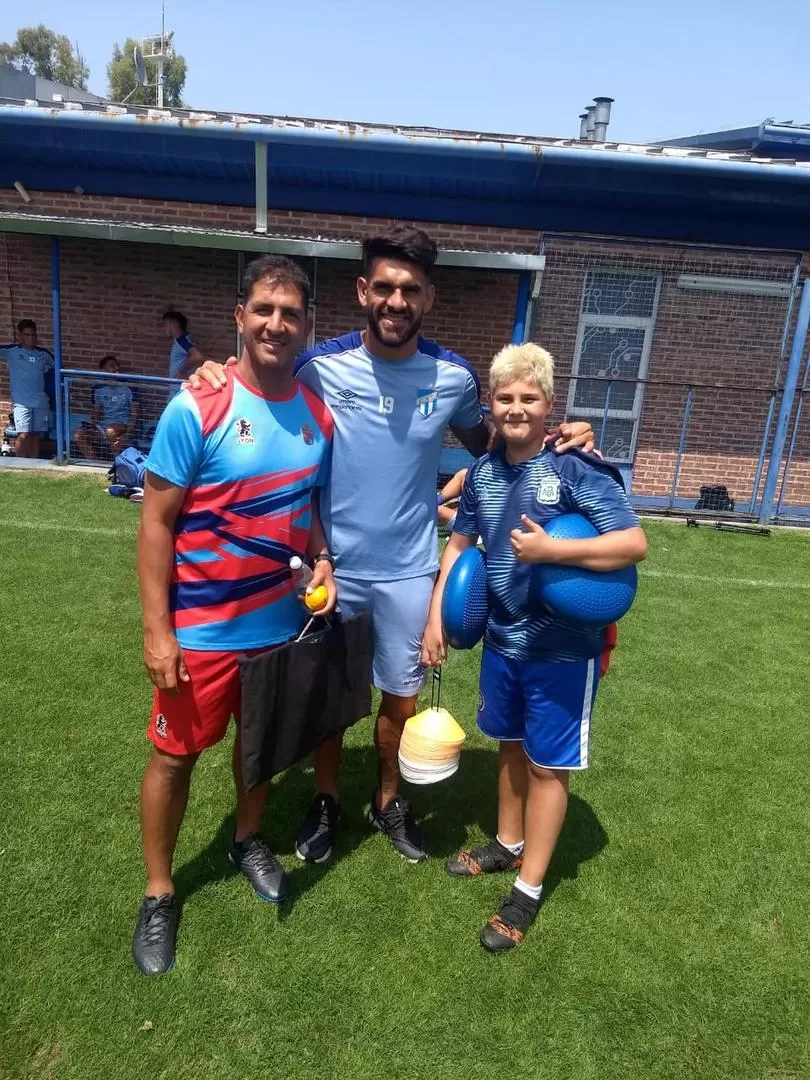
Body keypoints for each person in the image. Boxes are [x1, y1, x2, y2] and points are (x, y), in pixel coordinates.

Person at [190, 226, 594, 868]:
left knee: (399, 699)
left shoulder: (455, 378)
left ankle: (386, 798)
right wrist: (211, 370)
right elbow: (259, 382)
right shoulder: (320, 369)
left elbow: (499, 440)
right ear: (362, 291)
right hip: (332, 568)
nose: (396, 301)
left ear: (428, 297)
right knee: (324, 696)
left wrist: (561, 432)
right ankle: (325, 799)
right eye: (384, 288)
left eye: (410, 290)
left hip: (411, 571)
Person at [132, 256, 337, 976]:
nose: (276, 323)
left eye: (290, 312)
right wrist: (158, 631)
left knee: (257, 755)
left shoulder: (318, 414)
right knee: (174, 758)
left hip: (277, 630)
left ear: (308, 325)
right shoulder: (198, 406)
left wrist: (321, 560)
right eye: (263, 309)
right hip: (200, 635)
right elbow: (156, 524)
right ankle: (160, 892)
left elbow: (305, 508)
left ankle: (248, 838)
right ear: (239, 317)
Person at [422, 342, 647, 952]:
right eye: (505, 398)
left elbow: (633, 544)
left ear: (549, 404)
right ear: (490, 405)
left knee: (548, 765)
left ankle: (528, 889)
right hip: (503, 641)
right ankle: (506, 843)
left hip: (563, 651)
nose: (516, 408)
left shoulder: (577, 467)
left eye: (529, 398)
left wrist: (556, 553)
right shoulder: (486, 473)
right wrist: (438, 617)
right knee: (510, 746)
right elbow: (461, 545)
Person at [0, 319, 54, 458]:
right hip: (21, 402)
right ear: (20, 335)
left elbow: (59, 369)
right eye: (27, 334)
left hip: (40, 401)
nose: (31, 338)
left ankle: (34, 466)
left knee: (35, 435)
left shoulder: (44, 354)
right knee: (23, 435)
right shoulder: (11, 351)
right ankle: (19, 465)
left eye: (33, 335)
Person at [74, 355, 139, 459]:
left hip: (123, 424)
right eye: (112, 366)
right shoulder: (98, 388)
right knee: (79, 434)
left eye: (117, 365)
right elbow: (96, 412)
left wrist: (127, 433)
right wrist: (92, 427)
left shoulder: (129, 386)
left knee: (110, 431)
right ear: (104, 370)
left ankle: (117, 463)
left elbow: (135, 414)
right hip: (103, 425)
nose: (116, 368)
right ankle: (95, 464)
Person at [162, 310, 204, 387]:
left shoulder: (182, 341)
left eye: (166, 324)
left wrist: (181, 370)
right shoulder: (184, 339)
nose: (164, 328)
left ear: (174, 324)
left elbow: (198, 356)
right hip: (177, 386)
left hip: (178, 387)